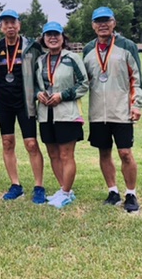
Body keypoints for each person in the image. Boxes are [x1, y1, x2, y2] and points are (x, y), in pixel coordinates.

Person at [82, 7, 142, 213]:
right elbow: (83, 81)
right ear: (93, 25)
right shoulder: (88, 49)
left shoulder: (127, 46)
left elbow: (137, 77)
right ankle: (113, 191)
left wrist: (137, 104)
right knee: (104, 152)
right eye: (98, 21)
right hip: (97, 112)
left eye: (106, 21)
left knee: (125, 153)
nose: (102, 25)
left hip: (121, 110)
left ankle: (131, 194)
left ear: (114, 23)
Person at [0, 9, 45, 203]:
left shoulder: (32, 47)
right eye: (6, 23)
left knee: (31, 144)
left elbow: (43, 68)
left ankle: (39, 187)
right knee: (7, 143)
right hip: (3, 103)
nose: (10, 26)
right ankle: (15, 185)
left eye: (13, 22)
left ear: (19, 25)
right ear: (1, 27)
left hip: (25, 103)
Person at [34, 21, 89, 209]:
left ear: (63, 37)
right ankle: (64, 189)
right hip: (45, 114)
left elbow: (84, 84)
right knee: (53, 153)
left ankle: (65, 193)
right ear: (43, 38)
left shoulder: (72, 58)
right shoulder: (40, 61)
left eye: (56, 34)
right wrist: (38, 94)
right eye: (48, 35)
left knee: (66, 154)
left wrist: (62, 96)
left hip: (67, 114)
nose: (52, 38)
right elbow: (35, 85)